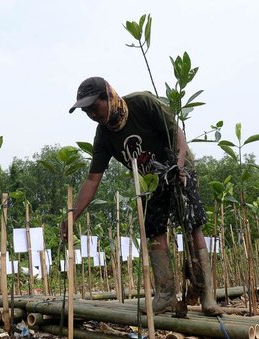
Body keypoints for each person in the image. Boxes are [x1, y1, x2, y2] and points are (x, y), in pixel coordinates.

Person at [63, 76, 223, 316]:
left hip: (178, 167)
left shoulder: (142, 103)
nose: (92, 114)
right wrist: (72, 215)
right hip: (151, 180)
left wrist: (178, 165)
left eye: (94, 107)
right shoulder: (104, 135)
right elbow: (92, 179)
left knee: (192, 225)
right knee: (154, 230)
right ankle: (166, 295)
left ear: (109, 95)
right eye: (86, 111)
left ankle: (207, 296)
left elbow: (176, 131)